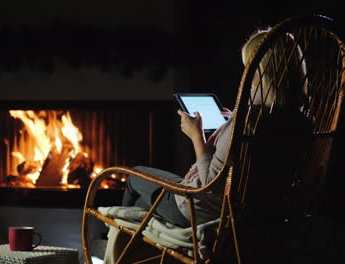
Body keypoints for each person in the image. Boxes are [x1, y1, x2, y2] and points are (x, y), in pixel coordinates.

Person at [121, 27, 309, 228]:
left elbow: (210, 183)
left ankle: (108, 247)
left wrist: (197, 136)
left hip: (205, 211)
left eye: (249, 67)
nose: (246, 74)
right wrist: (229, 127)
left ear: (261, 73)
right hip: (257, 215)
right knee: (143, 204)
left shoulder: (246, 120)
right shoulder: (301, 123)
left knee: (134, 176)